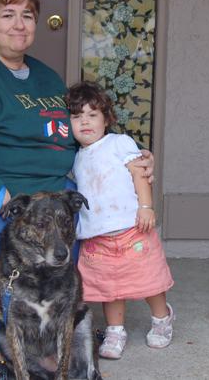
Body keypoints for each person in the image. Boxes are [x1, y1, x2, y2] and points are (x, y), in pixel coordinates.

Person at [0, 0, 155, 380]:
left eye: (27, 15)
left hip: (56, 188)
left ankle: (61, 327)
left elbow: (83, 134)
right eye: (7, 14)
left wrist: (130, 159)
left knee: (81, 237)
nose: (19, 24)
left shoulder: (44, 76)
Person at [63, 82, 175, 360]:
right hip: (95, 236)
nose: (84, 122)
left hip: (132, 229)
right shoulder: (75, 158)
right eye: (77, 117)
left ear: (107, 118)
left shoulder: (119, 143)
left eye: (92, 114)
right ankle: (115, 331)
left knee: (148, 278)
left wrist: (146, 206)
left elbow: (140, 174)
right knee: (108, 287)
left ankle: (162, 319)